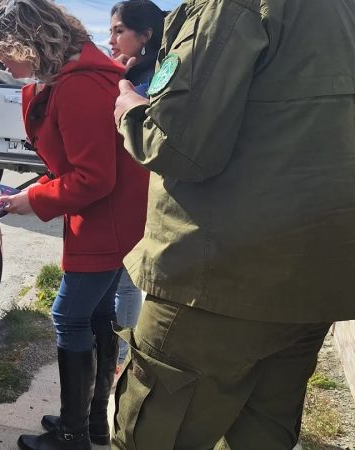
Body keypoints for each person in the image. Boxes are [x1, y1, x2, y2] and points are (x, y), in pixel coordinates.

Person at [112, 0, 355, 448]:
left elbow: (179, 148)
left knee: (149, 438)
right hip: (316, 281)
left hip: (216, 284)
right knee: (263, 435)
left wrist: (130, 108)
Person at [0, 1, 149, 448]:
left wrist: (29, 198)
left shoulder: (79, 85)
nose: (1, 63)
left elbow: (94, 177)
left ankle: (73, 436)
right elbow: (81, 162)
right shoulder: (83, 76)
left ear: (26, 42)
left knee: (68, 317)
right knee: (96, 315)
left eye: (2, 52)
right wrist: (38, 189)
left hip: (104, 223)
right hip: (116, 221)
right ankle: (91, 422)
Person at [107, 0, 167, 372]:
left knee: (127, 280)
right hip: (127, 188)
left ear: (145, 35)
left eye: (118, 30)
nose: (110, 38)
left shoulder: (155, 75)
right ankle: (119, 355)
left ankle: (121, 357)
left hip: (141, 190)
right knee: (123, 278)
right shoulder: (134, 69)